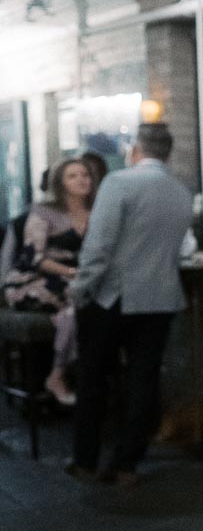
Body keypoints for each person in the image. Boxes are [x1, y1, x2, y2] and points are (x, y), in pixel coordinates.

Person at [66, 123, 194, 487]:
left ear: (135, 149)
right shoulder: (181, 192)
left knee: (92, 379)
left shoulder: (119, 183)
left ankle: (85, 461)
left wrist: (80, 289)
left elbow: (99, 247)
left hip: (113, 297)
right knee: (144, 380)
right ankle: (127, 464)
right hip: (161, 297)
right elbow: (181, 247)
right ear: (166, 153)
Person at [2, 158, 96, 405]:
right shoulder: (43, 212)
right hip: (33, 279)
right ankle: (63, 374)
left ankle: (60, 373)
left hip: (77, 280)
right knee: (80, 301)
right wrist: (72, 273)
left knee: (80, 309)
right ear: (60, 183)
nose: (81, 180)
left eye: (84, 174)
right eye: (72, 176)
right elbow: (35, 257)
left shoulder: (97, 212)